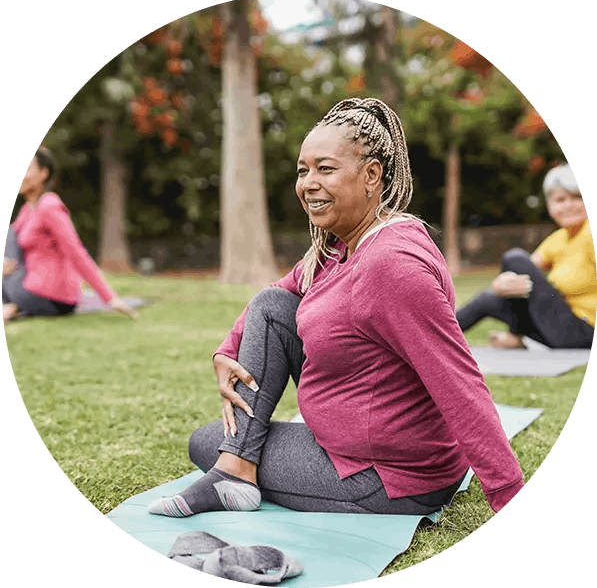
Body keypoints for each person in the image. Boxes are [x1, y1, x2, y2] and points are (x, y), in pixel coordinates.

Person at [148, 98, 523, 519]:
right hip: (352, 450)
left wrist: (509, 495)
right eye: (303, 170)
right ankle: (236, 466)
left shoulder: (391, 265)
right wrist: (225, 349)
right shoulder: (343, 246)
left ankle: (235, 468)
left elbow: (459, 383)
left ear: (372, 176)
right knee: (273, 308)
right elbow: (276, 294)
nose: (308, 182)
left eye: (325, 169)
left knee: (204, 441)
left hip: (389, 477)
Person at [457, 164, 595, 349]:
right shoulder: (558, 239)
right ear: (550, 205)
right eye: (560, 199)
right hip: (561, 328)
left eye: (577, 197)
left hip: (585, 331)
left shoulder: (589, 233)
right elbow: (527, 271)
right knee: (488, 299)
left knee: (514, 258)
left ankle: (519, 337)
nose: (568, 205)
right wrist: (501, 284)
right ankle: (429, 337)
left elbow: (518, 264)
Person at [2, 146, 137, 322]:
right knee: (10, 236)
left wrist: (110, 297)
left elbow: (76, 252)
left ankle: (13, 307)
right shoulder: (27, 210)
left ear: (43, 173)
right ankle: (14, 307)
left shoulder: (49, 205)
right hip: (30, 287)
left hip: (50, 295)